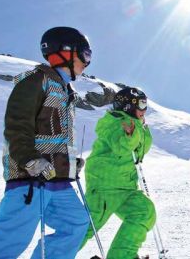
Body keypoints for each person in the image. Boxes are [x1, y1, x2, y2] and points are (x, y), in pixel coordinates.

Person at [0, 26, 92, 258]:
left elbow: (56, 136)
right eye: (85, 55)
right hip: (30, 177)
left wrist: (70, 162)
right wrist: (30, 160)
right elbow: (17, 126)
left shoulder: (67, 91)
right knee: (10, 238)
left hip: (58, 177)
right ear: (65, 52)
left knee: (76, 223)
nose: (87, 63)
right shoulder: (36, 81)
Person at [80, 87, 155, 259]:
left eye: (146, 104)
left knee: (144, 211)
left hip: (126, 187)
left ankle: (121, 256)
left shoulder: (135, 124)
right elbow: (122, 147)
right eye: (141, 104)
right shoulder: (113, 122)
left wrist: (140, 130)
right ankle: (56, 254)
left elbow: (141, 151)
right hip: (105, 185)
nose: (145, 109)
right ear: (128, 106)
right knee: (86, 227)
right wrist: (131, 135)